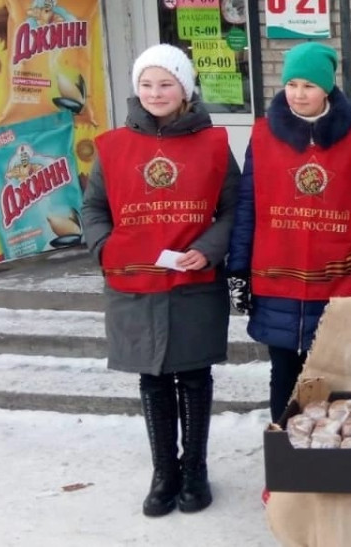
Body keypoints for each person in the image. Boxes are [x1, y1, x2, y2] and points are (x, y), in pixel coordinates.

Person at [81, 44, 239, 517]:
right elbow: (93, 208)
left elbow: (235, 208)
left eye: (166, 83)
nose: (155, 93)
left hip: (192, 281)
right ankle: (163, 473)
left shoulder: (214, 144)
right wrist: (104, 247)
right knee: (152, 378)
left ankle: (194, 471)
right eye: (147, 84)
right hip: (134, 283)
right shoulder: (112, 147)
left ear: (184, 89)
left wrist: (209, 248)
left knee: (193, 375)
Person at [226, 42, 351, 425]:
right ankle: (284, 446)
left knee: (332, 375)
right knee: (283, 370)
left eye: (309, 85)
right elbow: (247, 206)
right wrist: (238, 270)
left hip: (336, 280)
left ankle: (326, 449)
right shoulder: (262, 137)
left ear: (327, 89)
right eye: (292, 84)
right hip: (276, 281)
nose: (299, 94)